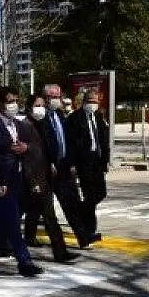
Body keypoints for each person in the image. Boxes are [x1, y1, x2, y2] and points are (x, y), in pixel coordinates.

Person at [0, 87, 44, 277]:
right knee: (12, 221)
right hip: (1, 182)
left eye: (16, 100)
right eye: (10, 101)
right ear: (0, 103)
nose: (14, 105)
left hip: (17, 179)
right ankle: (24, 262)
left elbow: (35, 145)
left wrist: (26, 147)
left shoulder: (18, 125)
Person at [23, 93, 79, 264]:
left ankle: (60, 251)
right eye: (37, 105)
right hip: (31, 180)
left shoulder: (43, 124)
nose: (40, 108)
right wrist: (32, 182)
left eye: (42, 105)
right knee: (13, 214)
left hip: (45, 176)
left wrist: (52, 164)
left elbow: (47, 149)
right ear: (29, 107)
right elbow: (26, 158)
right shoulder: (24, 126)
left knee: (48, 215)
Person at [29, 84, 86, 247]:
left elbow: (66, 141)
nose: (55, 100)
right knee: (39, 206)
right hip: (47, 168)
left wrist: (71, 163)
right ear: (45, 98)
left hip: (63, 166)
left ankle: (83, 237)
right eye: (51, 97)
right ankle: (30, 236)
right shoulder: (39, 118)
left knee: (71, 203)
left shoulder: (60, 115)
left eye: (57, 96)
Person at [64, 91, 110, 247]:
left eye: (95, 101)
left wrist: (105, 161)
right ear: (84, 101)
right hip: (83, 162)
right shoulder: (74, 118)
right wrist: (72, 164)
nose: (93, 104)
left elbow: (104, 141)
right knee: (90, 195)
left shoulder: (98, 117)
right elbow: (70, 144)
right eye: (90, 100)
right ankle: (89, 231)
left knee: (101, 193)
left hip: (97, 160)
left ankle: (81, 213)